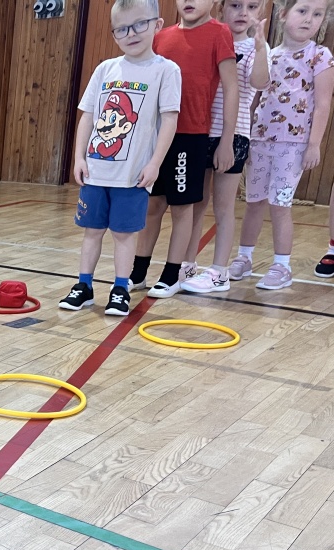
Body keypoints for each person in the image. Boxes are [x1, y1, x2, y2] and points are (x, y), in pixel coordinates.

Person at [59, 0, 181, 316]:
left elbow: (169, 120)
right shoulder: (105, 69)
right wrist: (79, 158)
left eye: (140, 24)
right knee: (92, 231)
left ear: (157, 24)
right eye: (122, 29)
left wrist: (155, 163)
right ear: (114, 33)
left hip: (133, 175)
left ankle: (120, 288)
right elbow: (87, 115)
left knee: (125, 234)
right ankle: (84, 286)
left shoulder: (166, 71)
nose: (131, 34)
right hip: (96, 172)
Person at [128, 0, 239, 298]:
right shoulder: (161, 37)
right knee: (153, 206)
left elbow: (231, 87)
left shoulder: (219, 33)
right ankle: (138, 272)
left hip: (190, 136)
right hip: (157, 136)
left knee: (182, 208)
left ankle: (172, 274)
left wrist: (227, 139)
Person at [226, 0, 334, 290]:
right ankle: (244, 257)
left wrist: (314, 144)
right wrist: (245, 135)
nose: (309, 19)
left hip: (293, 144)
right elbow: (255, 98)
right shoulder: (270, 54)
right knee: (253, 202)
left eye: (317, 14)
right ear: (284, 14)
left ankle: (282, 265)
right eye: (302, 11)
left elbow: (323, 104)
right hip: (260, 139)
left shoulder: (320, 56)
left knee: (280, 205)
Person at [180, 0, 271, 294]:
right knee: (195, 203)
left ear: (260, 13)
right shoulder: (211, 39)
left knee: (223, 206)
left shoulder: (256, 48)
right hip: (199, 132)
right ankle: (186, 264)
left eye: (252, 7)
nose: (243, 12)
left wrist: (260, 48)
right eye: (235, 5)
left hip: (233, 136)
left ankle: (219, 272)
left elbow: (260, 82)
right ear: (221, 9)